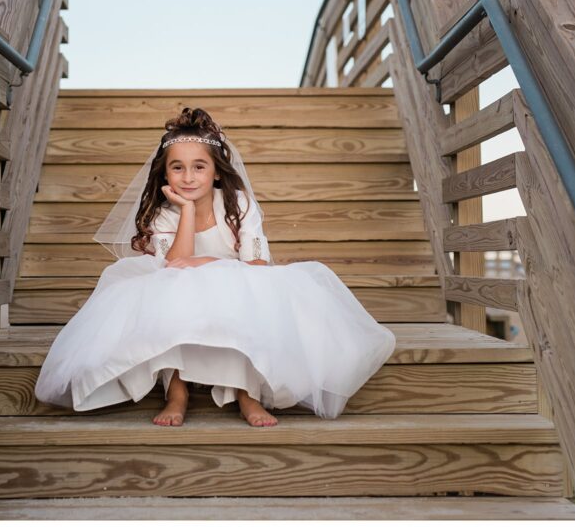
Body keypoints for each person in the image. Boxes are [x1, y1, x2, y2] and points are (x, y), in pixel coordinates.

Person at [33, 107, 397, 427]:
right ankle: (177, 392)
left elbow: (254, 265)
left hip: (239, 288)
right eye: (178, 167)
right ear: (166, 173)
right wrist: (187, 211)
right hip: (179, 291)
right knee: (169, 287)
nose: (188, 177)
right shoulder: (163, 213)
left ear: (217, 173)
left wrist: (208, 264)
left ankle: (246, 393)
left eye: (199, 167)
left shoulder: (238, 203)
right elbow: (174, 263)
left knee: (241, 288)